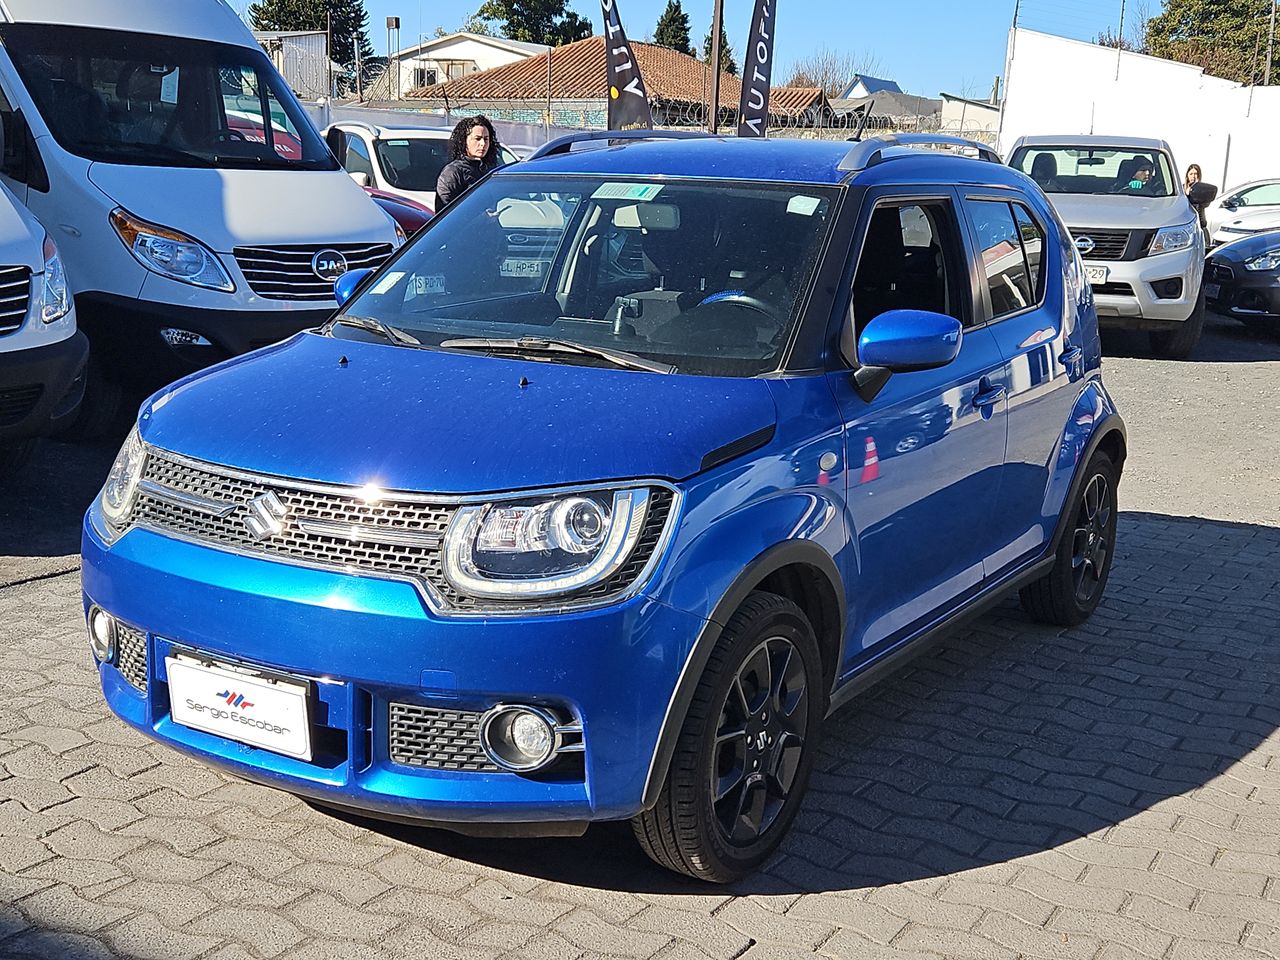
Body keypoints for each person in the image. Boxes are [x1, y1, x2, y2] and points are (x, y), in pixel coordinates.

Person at [435, 115, 502, 210]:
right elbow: (444, 213)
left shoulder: (488, 169)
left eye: (486, 139)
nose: (483, 144)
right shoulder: (453, 172)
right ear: (464, 140)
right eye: (477, 139)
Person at [1185, 163, 1208, 230]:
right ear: (1187, 175)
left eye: (1196, 174)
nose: (1193, 176)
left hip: (1200, 225)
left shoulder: (1203, 189)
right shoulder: (1181, 188)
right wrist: (1187, 193)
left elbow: (1206, 203)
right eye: (1191, 174)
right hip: (1187, 224)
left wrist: (1197, 187)